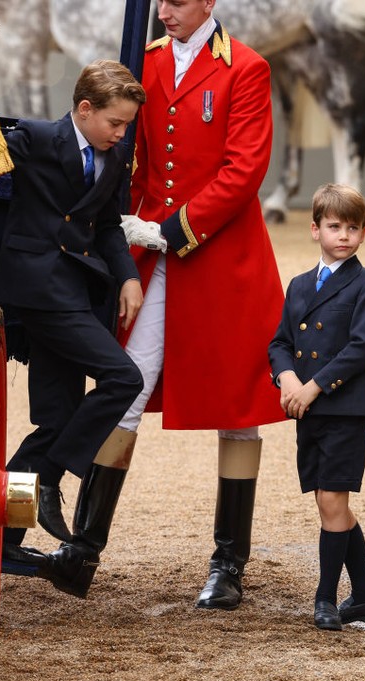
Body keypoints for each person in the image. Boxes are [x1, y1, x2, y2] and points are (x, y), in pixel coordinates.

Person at [103, 0, 286, 609]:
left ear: (209, 2)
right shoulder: (145, 63)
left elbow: (243, 170)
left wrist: (174, 229)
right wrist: (122, 233)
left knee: (238, 404)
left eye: (178, 1)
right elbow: (133, 161)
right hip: (150, 252)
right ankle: (84, 543)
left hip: (222, 256)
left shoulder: (247, 68)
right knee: (125, 382)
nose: (163, 10)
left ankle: (228, 562)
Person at [0, 60, 146, 590]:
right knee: (125, 378)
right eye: (115, 124)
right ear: (85, 109)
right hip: (36, 289)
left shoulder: (114, 155)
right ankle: (51, 476)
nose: (122, 135)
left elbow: (106, 226)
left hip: (76, 290)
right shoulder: (33, 139)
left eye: (126, 126)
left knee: (55, 423)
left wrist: (126, 276)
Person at [268, 183, 365, 631]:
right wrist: (288, 378)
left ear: (362, 233)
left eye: (353, 228)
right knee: (327, 501)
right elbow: (280, 341)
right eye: (335, 226)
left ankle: (325, 599)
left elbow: (361, 348)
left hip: (345, 407)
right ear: (314, 229)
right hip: (308, 406)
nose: (344, 236)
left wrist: (313, 386)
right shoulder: (299, 285)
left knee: (332, 499)